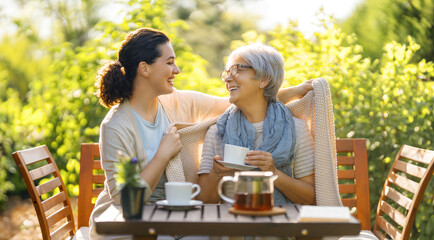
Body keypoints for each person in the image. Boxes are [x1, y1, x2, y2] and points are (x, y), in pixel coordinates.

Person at [89, 28, 312, 239]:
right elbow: (124, 201)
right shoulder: (116, 126)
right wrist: (162, 156)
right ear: (145, 68)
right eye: (169, 63)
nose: (176, 70)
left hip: (171, 217)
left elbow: (237, 103)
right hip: (124, 224)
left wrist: (290, 91)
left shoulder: (176, 101)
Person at [197, 44, 315, 205]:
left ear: (264, 79)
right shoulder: (217, 131)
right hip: (232, 225)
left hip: (281, 224)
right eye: (227, 72)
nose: (228, 78)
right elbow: (203, 202)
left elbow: (311, 199)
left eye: (238, 69)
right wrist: (216, 174)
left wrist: (273, 173)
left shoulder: (296, 129)